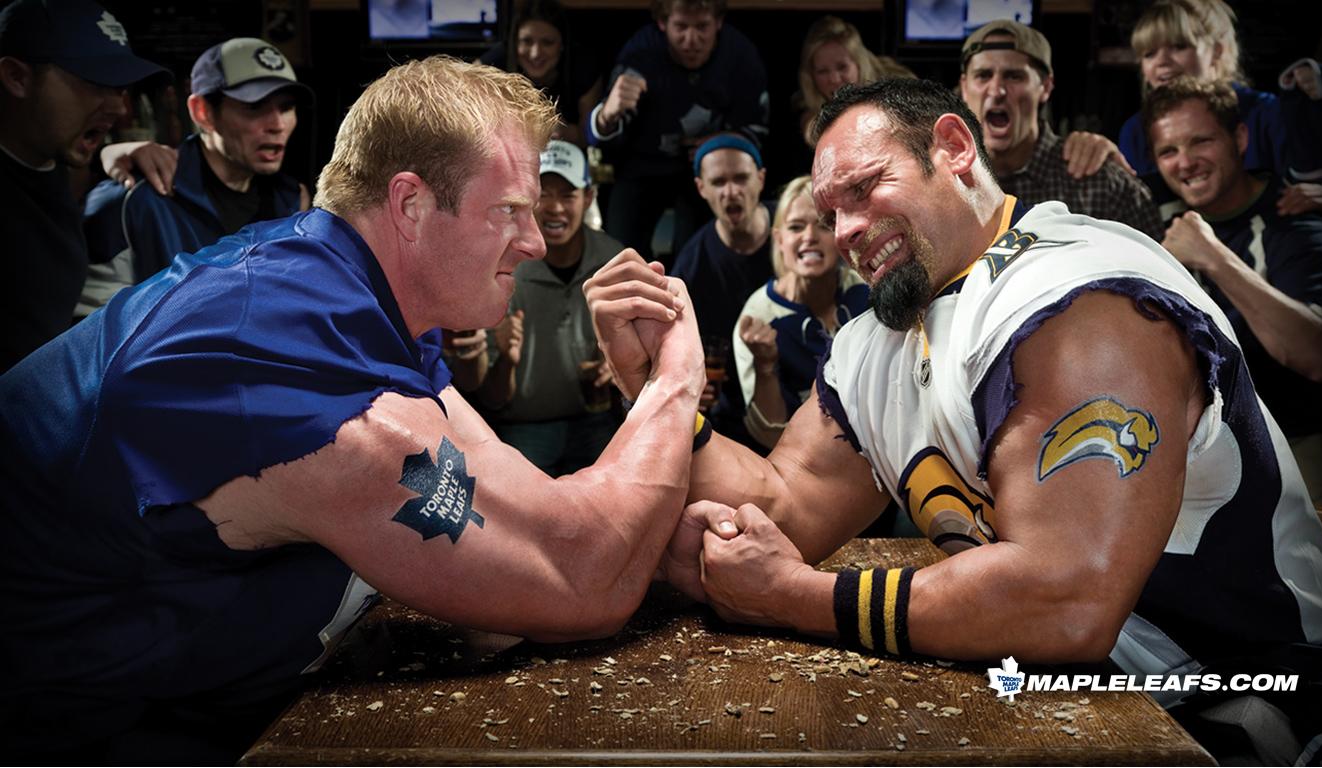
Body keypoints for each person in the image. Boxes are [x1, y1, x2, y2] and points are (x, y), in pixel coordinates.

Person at [585, 78, 1322, 765]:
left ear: (953, 148)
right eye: (830, 210)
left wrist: (792, 596)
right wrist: (660, 387)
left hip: (1259, 701)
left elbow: (1064, 601)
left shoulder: (1084, 294)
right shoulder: (876, 339)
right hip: (1080, 699)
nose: (844, 229)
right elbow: (780, 505)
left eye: (865, 187)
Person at [0, 56, 705, 763]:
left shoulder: (346, 291)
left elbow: (523, 504)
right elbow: (584, 581)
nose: (533, 240)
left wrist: (615, 524)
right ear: (410, 205)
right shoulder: (315, 390)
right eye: (509, 211)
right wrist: (675, 369)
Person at [1147, 78, 1322, 511]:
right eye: (1169, 151)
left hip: (1309, 434)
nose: (1185, 162)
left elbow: (1319, 358)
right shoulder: (1163, 221)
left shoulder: (1298, 224)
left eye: (1200, 141)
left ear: (1240, 138)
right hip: (1215, 444)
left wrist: (1214, 257)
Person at [79, 37, 312, 316]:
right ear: (203, 112)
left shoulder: (292, 203)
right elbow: (87, 341)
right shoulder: (132, 199)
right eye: (255, 107)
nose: (277, 125)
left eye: (286, 107)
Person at [0, 0, 168, 371]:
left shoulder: (49, 158)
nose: (118, 107)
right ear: (16, 77)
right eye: (95, 82)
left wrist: (108, 152)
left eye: (120, 87)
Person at [1118, 0, 1322, 229]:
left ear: (1216, 51)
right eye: (1149, 53)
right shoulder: (1136, 130)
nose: (1162, 62)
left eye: (1179, 46)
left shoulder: (1267, 112)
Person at [476, 140, 626, 476]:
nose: (555, 207)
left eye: (568, 194)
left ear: (588, 198)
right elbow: (487, 397)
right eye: (545, 193)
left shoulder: (614, 260)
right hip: (524, 425)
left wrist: (619, 369)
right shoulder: (500, 261)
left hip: (596, 418)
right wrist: (505, 361)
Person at [589, 0, 767, 265]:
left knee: (697, 251)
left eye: (702, 27)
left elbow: (758, 130)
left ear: (718, 22)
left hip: (703, 170)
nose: (691, 39)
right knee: (620, 248)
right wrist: (606, 115)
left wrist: (723, 142)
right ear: (663, 23)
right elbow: (601, 140)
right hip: (642, 165)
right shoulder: (642, 52)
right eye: (681, 26)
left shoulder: (739, 55)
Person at [958, 20, 1164, 240]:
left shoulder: (1102, 185)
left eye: (1014, 76)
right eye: (983, 75)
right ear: (964, 88)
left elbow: (1158, 269)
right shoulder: (945, 186)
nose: (997, 90)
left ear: (1045, 86)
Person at [733, 175, 867, 449]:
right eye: (795, 227)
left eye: (822, 226)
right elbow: (770, 435)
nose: (809, 237)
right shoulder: (758, 316)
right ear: (779, 240)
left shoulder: (866, 291)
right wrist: (764, 365)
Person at [672, 134, 773, 448]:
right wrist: (691, 384)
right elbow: (673, 348)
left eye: (741, 178)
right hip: (732, 411)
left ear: (760, 179)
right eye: (718, 182)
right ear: (701, 188)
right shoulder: (691, 263)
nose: (731, 192)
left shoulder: (796, 227)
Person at [480, 0, 601, 148]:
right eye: (527, 41)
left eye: (547, 42)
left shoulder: (584, 68)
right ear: (514, 43)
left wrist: (564, 132)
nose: (535, 53)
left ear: (562, 45)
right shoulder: (495, 62)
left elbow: (593, 137)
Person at [794, 16, 914, 147]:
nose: (834, 79)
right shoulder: (807, 114)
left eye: (842, 67)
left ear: (859, 64)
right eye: (822, 71)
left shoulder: (900, 89)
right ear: (810, 76)